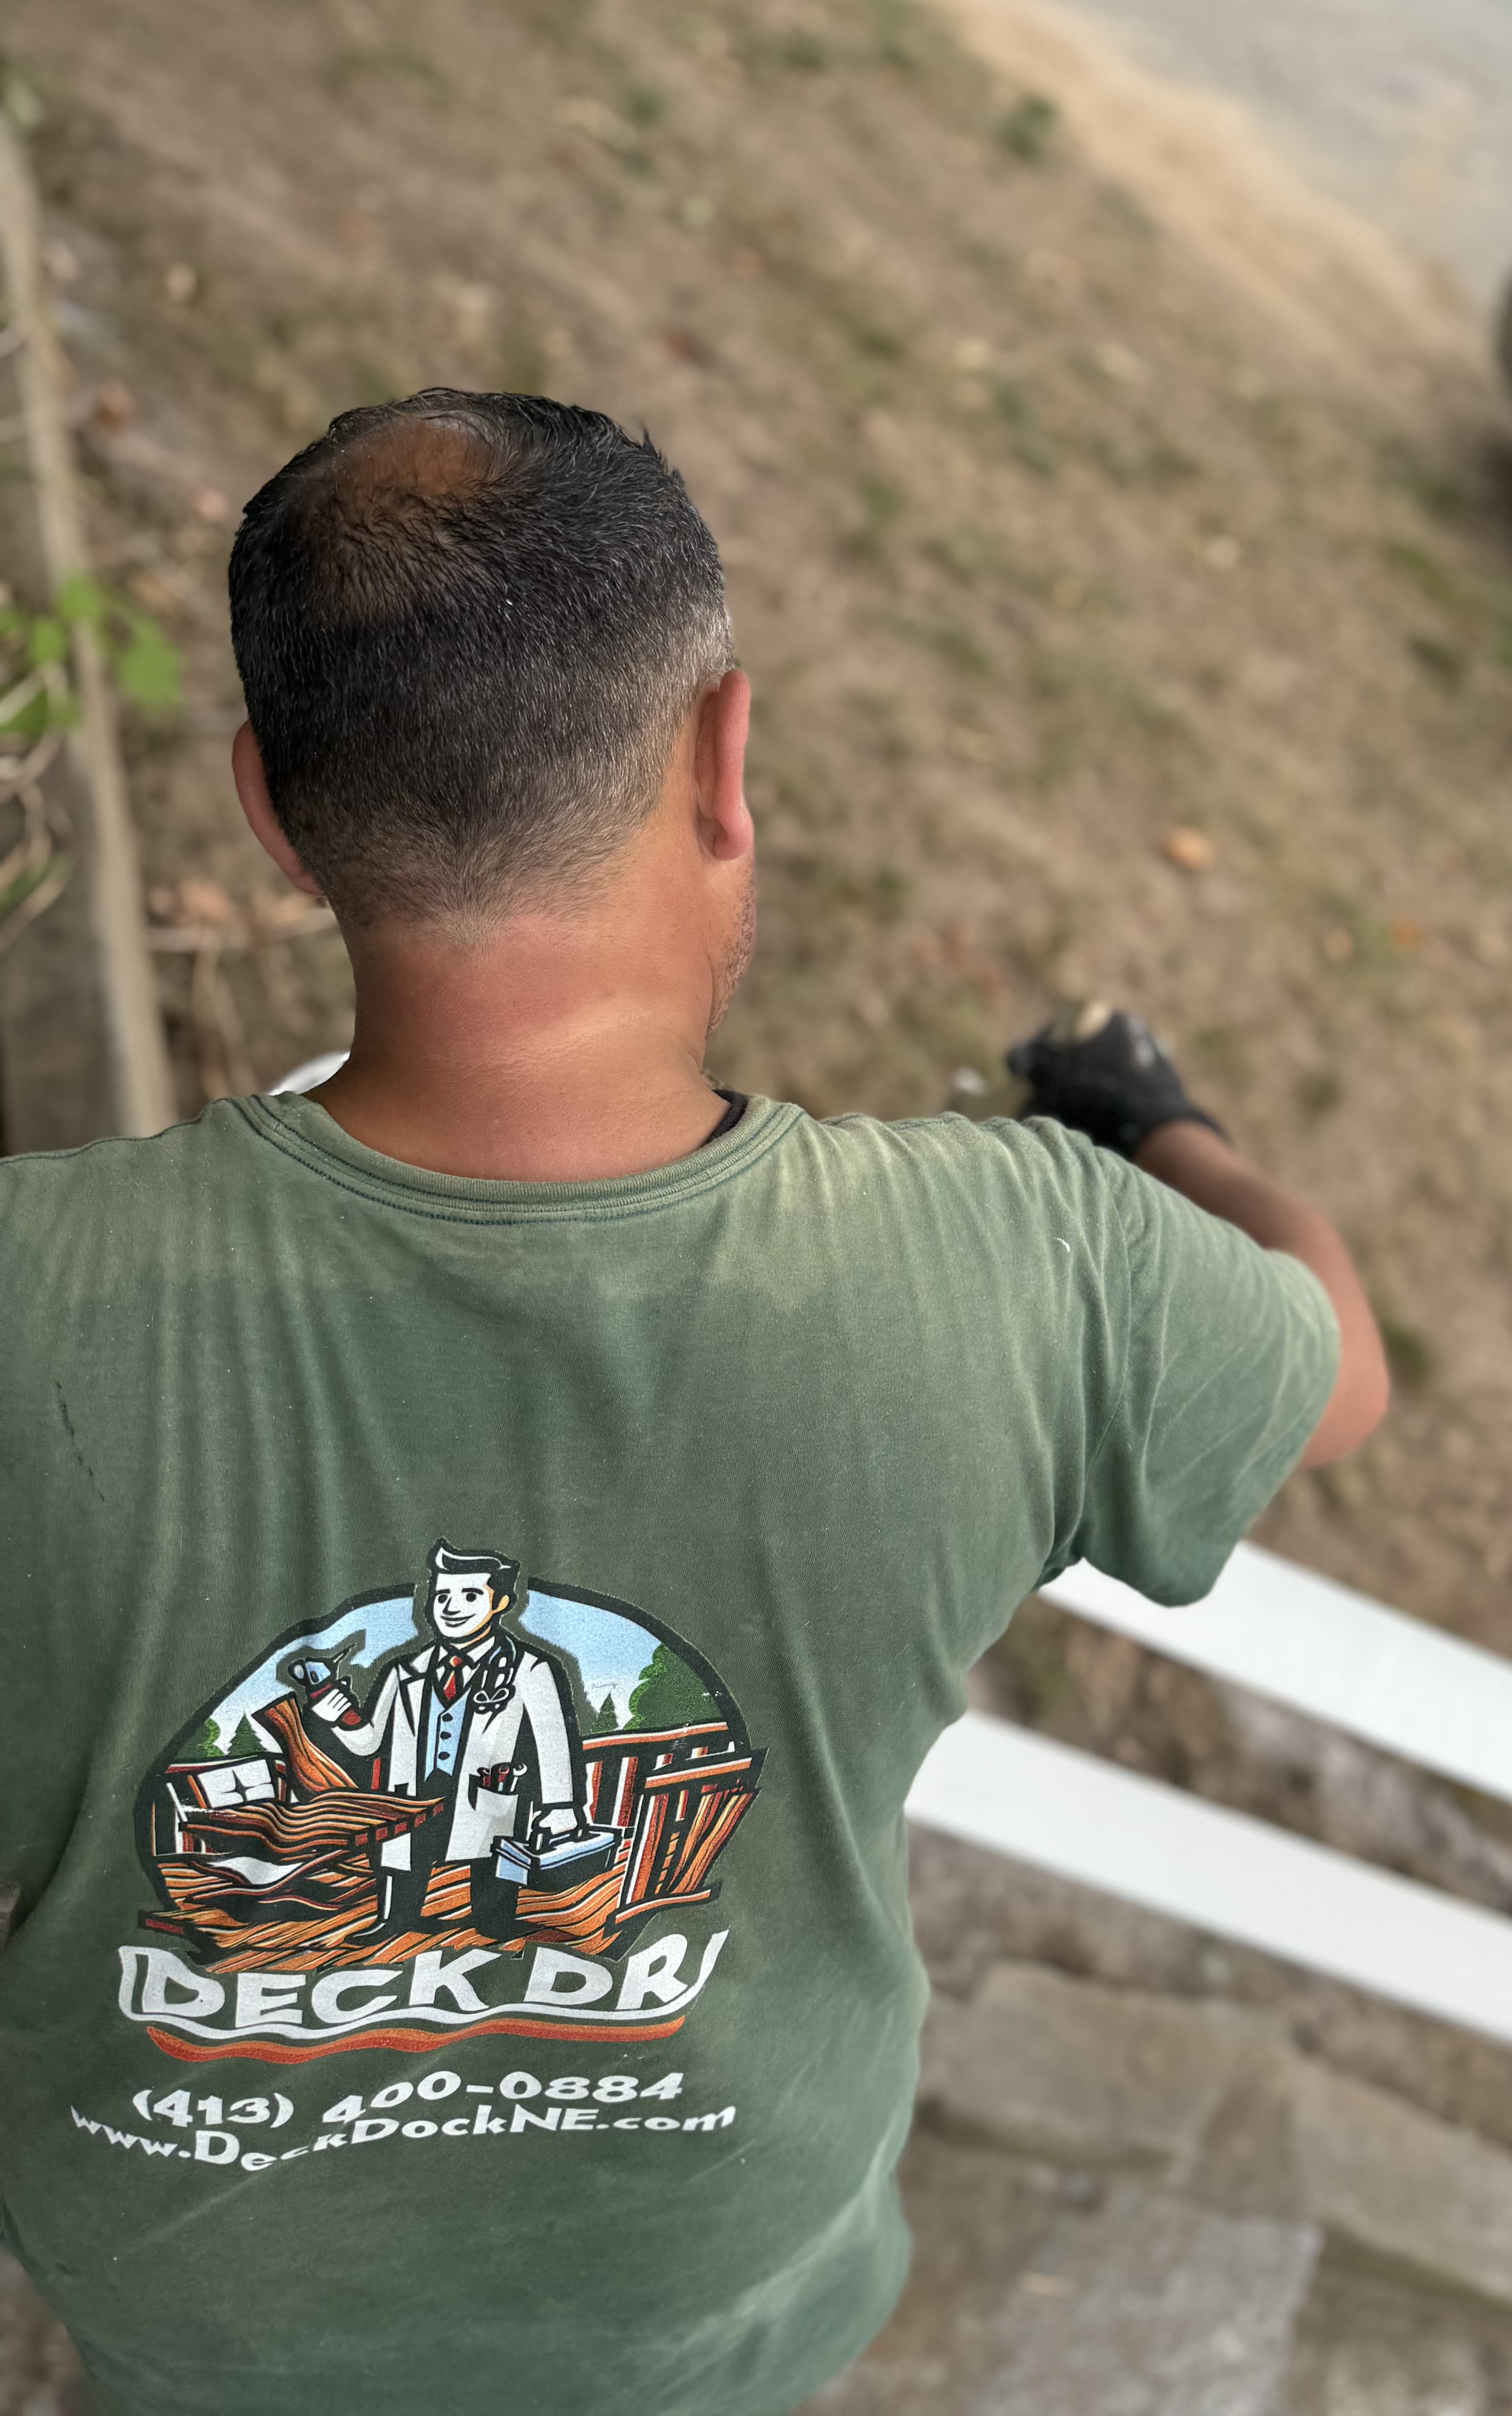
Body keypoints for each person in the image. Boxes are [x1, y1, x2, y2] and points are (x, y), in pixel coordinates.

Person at [0, 387, 1387, 2416]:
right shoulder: (1033, 1266)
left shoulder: (34, 1303)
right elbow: (1336, 1366)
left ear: (272, 812)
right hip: (710, 2307)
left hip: (194, 2319)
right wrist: (1164, 1131)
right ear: (727, 761)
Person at [288, 1537, 585, 1943]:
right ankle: (394, 1919)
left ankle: (495, 1921)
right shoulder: (403, 1672)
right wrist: (338, 1716)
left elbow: (553, 1739)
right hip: (414, 1794)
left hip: (486, 1793)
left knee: (493, 1858)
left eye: (469, 1595)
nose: (452, 1607)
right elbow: (369, 1742)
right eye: (442, 1596)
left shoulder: (528, 1669)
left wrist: (561, 1806)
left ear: (500, 1603)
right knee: (404, 1854)